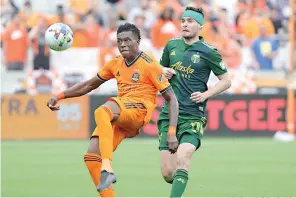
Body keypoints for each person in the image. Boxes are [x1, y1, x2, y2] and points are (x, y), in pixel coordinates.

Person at [47, 23, 179, 197]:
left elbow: (172, 100)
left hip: (139, 111)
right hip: (122, 113)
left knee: (102, 111)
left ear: (138, 41)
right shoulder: (115, 63)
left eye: (127, 40)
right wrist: (60, 95)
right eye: (119, 41)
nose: (123, 44)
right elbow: (88, 85)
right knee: (92, 155)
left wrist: (171, 132)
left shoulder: (150, 65)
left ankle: (107, 167)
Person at [158, 7, 232, 197]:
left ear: (200, 26)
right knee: (168, 173)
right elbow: (158, 69)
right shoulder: (171, 45)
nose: (185, 24)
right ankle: (180, 182)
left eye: (190, 21)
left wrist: (206, 94)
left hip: (193, 115)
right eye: (183, 20)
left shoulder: (209, 52)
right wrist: (163, 71)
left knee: (184, 156)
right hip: (169, 115)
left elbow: (226, 80)